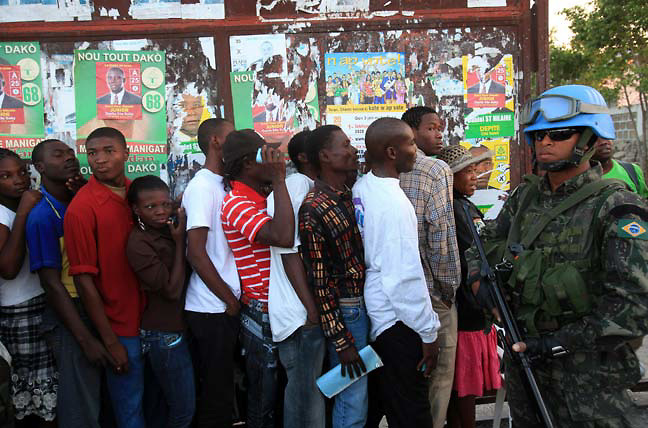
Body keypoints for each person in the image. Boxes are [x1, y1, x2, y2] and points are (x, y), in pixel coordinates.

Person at [467, 85, 648, 426]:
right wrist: (480, 283)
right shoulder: (526, 198)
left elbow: (633, 307)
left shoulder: (617, 207)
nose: (544, 142)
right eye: (537, 135)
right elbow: (482, 243)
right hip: (527, 371)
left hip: (591, 382)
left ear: (590, 140)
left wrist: (556, 344)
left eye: (559, 133)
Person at [353, 117, 440, 428]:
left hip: (377, 315)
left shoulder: (363, 186)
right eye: (411, 143)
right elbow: (403, 277)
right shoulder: (394, 203)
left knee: (381, 403)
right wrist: (429, 332)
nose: (415, 150)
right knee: (412, 413)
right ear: (392, 152)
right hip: (398, 321)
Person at [27, 139, 111, 428]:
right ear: (39, 167)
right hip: (72, 316)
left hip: (97, 306)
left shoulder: (78, 199)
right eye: (58, 154)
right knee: (80, 405)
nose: (69, 158)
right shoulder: (41, 215)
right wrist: (84, 340)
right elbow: (51, 284)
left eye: (71, 153)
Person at [64, 127, 145, 428]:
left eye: (108, 151)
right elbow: (84, 281)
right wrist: (110, 341)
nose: (99, 159)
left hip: (152, 319)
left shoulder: (138, 193)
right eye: (93, 153)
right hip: (119, 326)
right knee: (129, 410)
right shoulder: (81, 209)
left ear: (126, 153)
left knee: (156, 401)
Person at [221, 129, 294, 428]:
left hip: (274, 306)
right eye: (269, 155)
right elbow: (283, 237)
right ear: (249, 164)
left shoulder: (258, 197)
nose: (277, 160)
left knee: (277, 396)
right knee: (264, 396)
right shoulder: (237, 202)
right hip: (260, 310)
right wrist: (279, 179)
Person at [299, 125, 369, 428]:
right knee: (352, 398)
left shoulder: (349, 195)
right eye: (345, 145)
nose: (352, 150)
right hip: (347, 310)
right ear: (325, 156)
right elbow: (320, 279)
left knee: (361, 396)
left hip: (364, 304)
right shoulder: (313, 208)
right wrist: (342, 340)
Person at [400, 106, 461, 427]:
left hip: (392, 299)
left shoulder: (374, 171)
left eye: (440, 128)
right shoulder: (435, 170)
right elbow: (442, 239)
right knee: (438, 378)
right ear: (410, 130)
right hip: (432, 295)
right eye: (431, 128)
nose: (438, 134)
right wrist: (449, 290)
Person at [180, 118, 240, 428]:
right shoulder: (202, 186)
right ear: (216, 141)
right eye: (231, 136)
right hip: (211, 308)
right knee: (215, 395)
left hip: (224, 305)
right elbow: (196, 252)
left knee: (226, 391)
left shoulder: (225, 183)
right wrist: (229, 300)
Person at [436, 145, 501, 428]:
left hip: (465, 306)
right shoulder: (458, 207)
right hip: (468, 306)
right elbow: (474, 253)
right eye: (469, 171)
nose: (475, 176)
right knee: (465, 383)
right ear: (452, 177)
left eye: (476, 170)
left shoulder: (458, 204)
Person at [126, 176, 195, 428]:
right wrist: (179, 244)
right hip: (163, 335)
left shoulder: (166, 228)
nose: (160, 211)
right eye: (151, 207)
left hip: (177, 329)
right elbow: (172, 290)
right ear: (136, 209)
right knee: (183, 409)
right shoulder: (138, 243)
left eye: (165, 204)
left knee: (162, 405)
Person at [267, 131, 324, 428]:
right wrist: (311, 310)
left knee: (312, 392)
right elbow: (288, 250)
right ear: (305, 157)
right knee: (305, 397)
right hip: (299, 316)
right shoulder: (296, 185)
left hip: (307, 312)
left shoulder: (310, 186)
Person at [0, 148, 57, 425]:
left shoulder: (21, 204)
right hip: (18, 312)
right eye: (6, 176)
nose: (19, 179)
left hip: (37, 303)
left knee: (43, 389)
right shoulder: (3, 213)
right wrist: (22, 212)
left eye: (22, 172)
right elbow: (8, 269)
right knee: (31, 395)